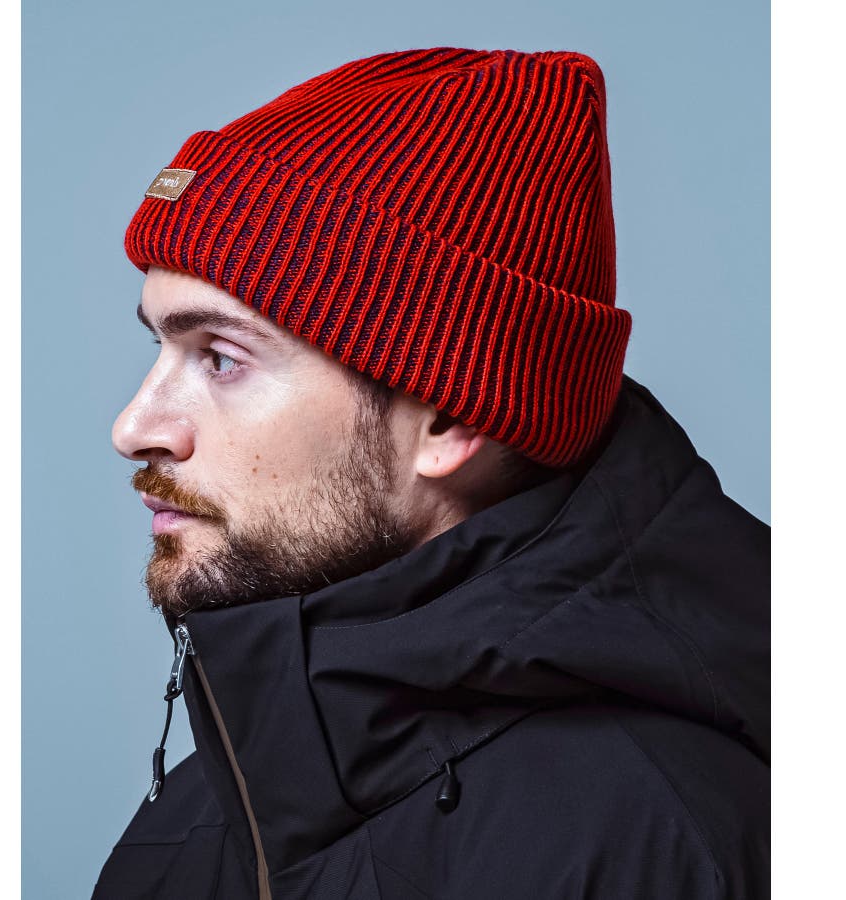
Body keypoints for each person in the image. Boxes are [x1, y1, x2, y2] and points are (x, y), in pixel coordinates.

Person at [93, 47, 770, 899]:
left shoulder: (657, 848)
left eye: (222, 357)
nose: (133, 428)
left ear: (450, 417)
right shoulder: (198, 822)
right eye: (159, 346)